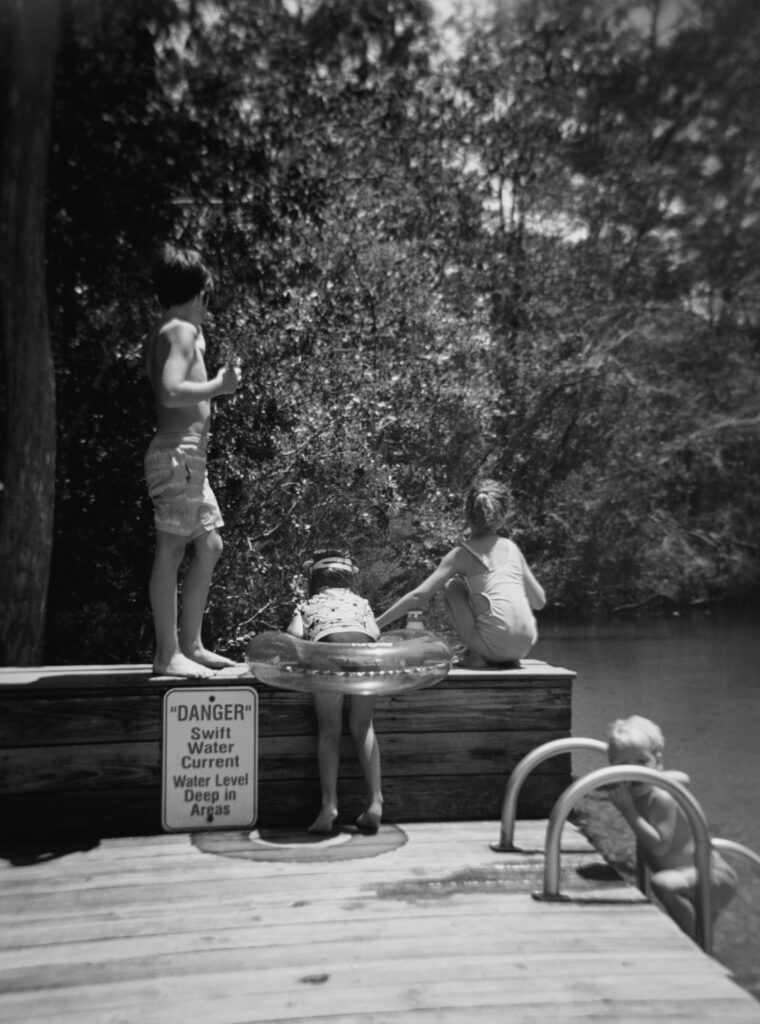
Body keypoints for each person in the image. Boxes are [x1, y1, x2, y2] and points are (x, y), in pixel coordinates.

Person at [143, 244, 241, 678]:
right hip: (178, 454)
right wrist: (218, 386)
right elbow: (169, 391)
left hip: (188, 460)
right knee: (171, 547)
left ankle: (192, 645)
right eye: (208, 299)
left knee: (210, 544)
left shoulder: (170, 328)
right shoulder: (180, 329)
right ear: (199, 294)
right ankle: (168, 654)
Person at [376, 479, 545, 667]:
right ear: (503, 515)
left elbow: (419, 596)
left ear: (466, 513)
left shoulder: (461, 555)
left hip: (495, 648)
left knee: (453, 587)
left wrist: (376, 625)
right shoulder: (512, 548)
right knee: (478, 594)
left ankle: (477, 657)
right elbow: (539, 602)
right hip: (523, 647)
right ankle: (499, 652)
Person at [605, 715, 737, 940]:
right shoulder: (638, 791)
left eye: (642, 762)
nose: (635, 771)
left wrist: (630, 812)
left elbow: (659, 846)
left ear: (658, 762)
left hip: (711, 876)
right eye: (623, 765)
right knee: (706, 936)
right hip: (689, 877)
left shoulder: (661, 796)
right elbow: (679, 778)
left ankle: (692, 943)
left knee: (662, 885)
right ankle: (704, 951)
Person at [286, 549, 383, 834]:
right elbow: (375, 634)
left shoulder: (307, 603)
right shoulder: (360, 602)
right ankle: (375, 801)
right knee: (363, 726)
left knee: (330, 730)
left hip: (327, 654)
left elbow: (294, 635)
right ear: (350, 579)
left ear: (315, 579)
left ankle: (329, 805)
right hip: (365, 655)